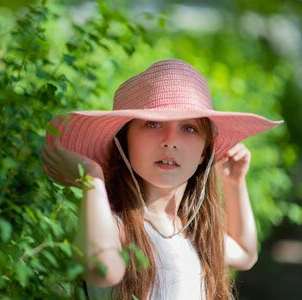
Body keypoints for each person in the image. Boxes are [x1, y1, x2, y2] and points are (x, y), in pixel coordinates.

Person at [40, 59, 283, 300]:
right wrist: (92, 179)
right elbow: (100, 270)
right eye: (153, 124)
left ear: (204, 152)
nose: (170, 140)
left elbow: (245, 253)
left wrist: (234, 184)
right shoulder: (117, 226)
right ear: (125, 141)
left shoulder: (193, 233)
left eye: (189, 128)